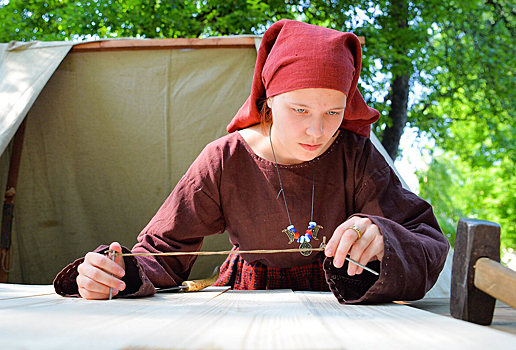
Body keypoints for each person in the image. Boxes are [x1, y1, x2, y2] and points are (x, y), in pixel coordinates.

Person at [54, 19, 449, 303]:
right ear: (269, 100)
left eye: (333, 112)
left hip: (339, 304)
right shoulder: (225, 159)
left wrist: (384, 237)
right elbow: (163, 250)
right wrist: (114, 275)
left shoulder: (356, 155)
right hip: (246, 302)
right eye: (299, 110)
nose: (317, 131)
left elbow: (428, 240)